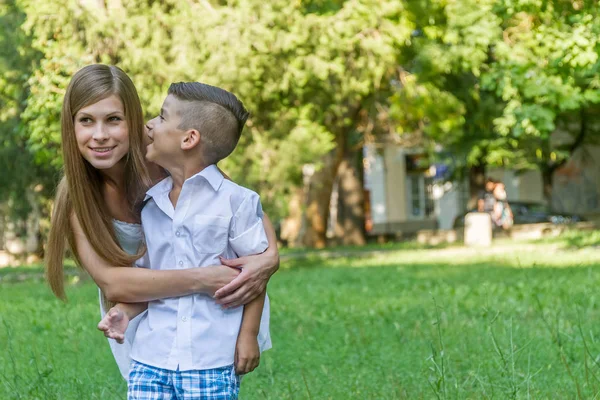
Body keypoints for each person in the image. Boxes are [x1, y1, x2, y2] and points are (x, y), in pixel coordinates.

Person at [44, 64, 279, 379]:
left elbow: (239, 205)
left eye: (114, 120)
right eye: (86, 120)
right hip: (137, 307)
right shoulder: (78, 197)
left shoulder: (165, 153)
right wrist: (205, 278)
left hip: (206, 312)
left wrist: (270, 258)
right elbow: (113, 282)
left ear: (133, 118)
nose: (100, 136)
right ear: (69, 126)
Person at [99, 81, 270, 399]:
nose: (149, 124)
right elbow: (153, 280)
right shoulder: (151, 205)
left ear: (189, 139)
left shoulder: (236, 201)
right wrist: (124, 311)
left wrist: (248, 335)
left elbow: (255, 278)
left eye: (162, 118)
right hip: (151, 359)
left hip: (210, 360)